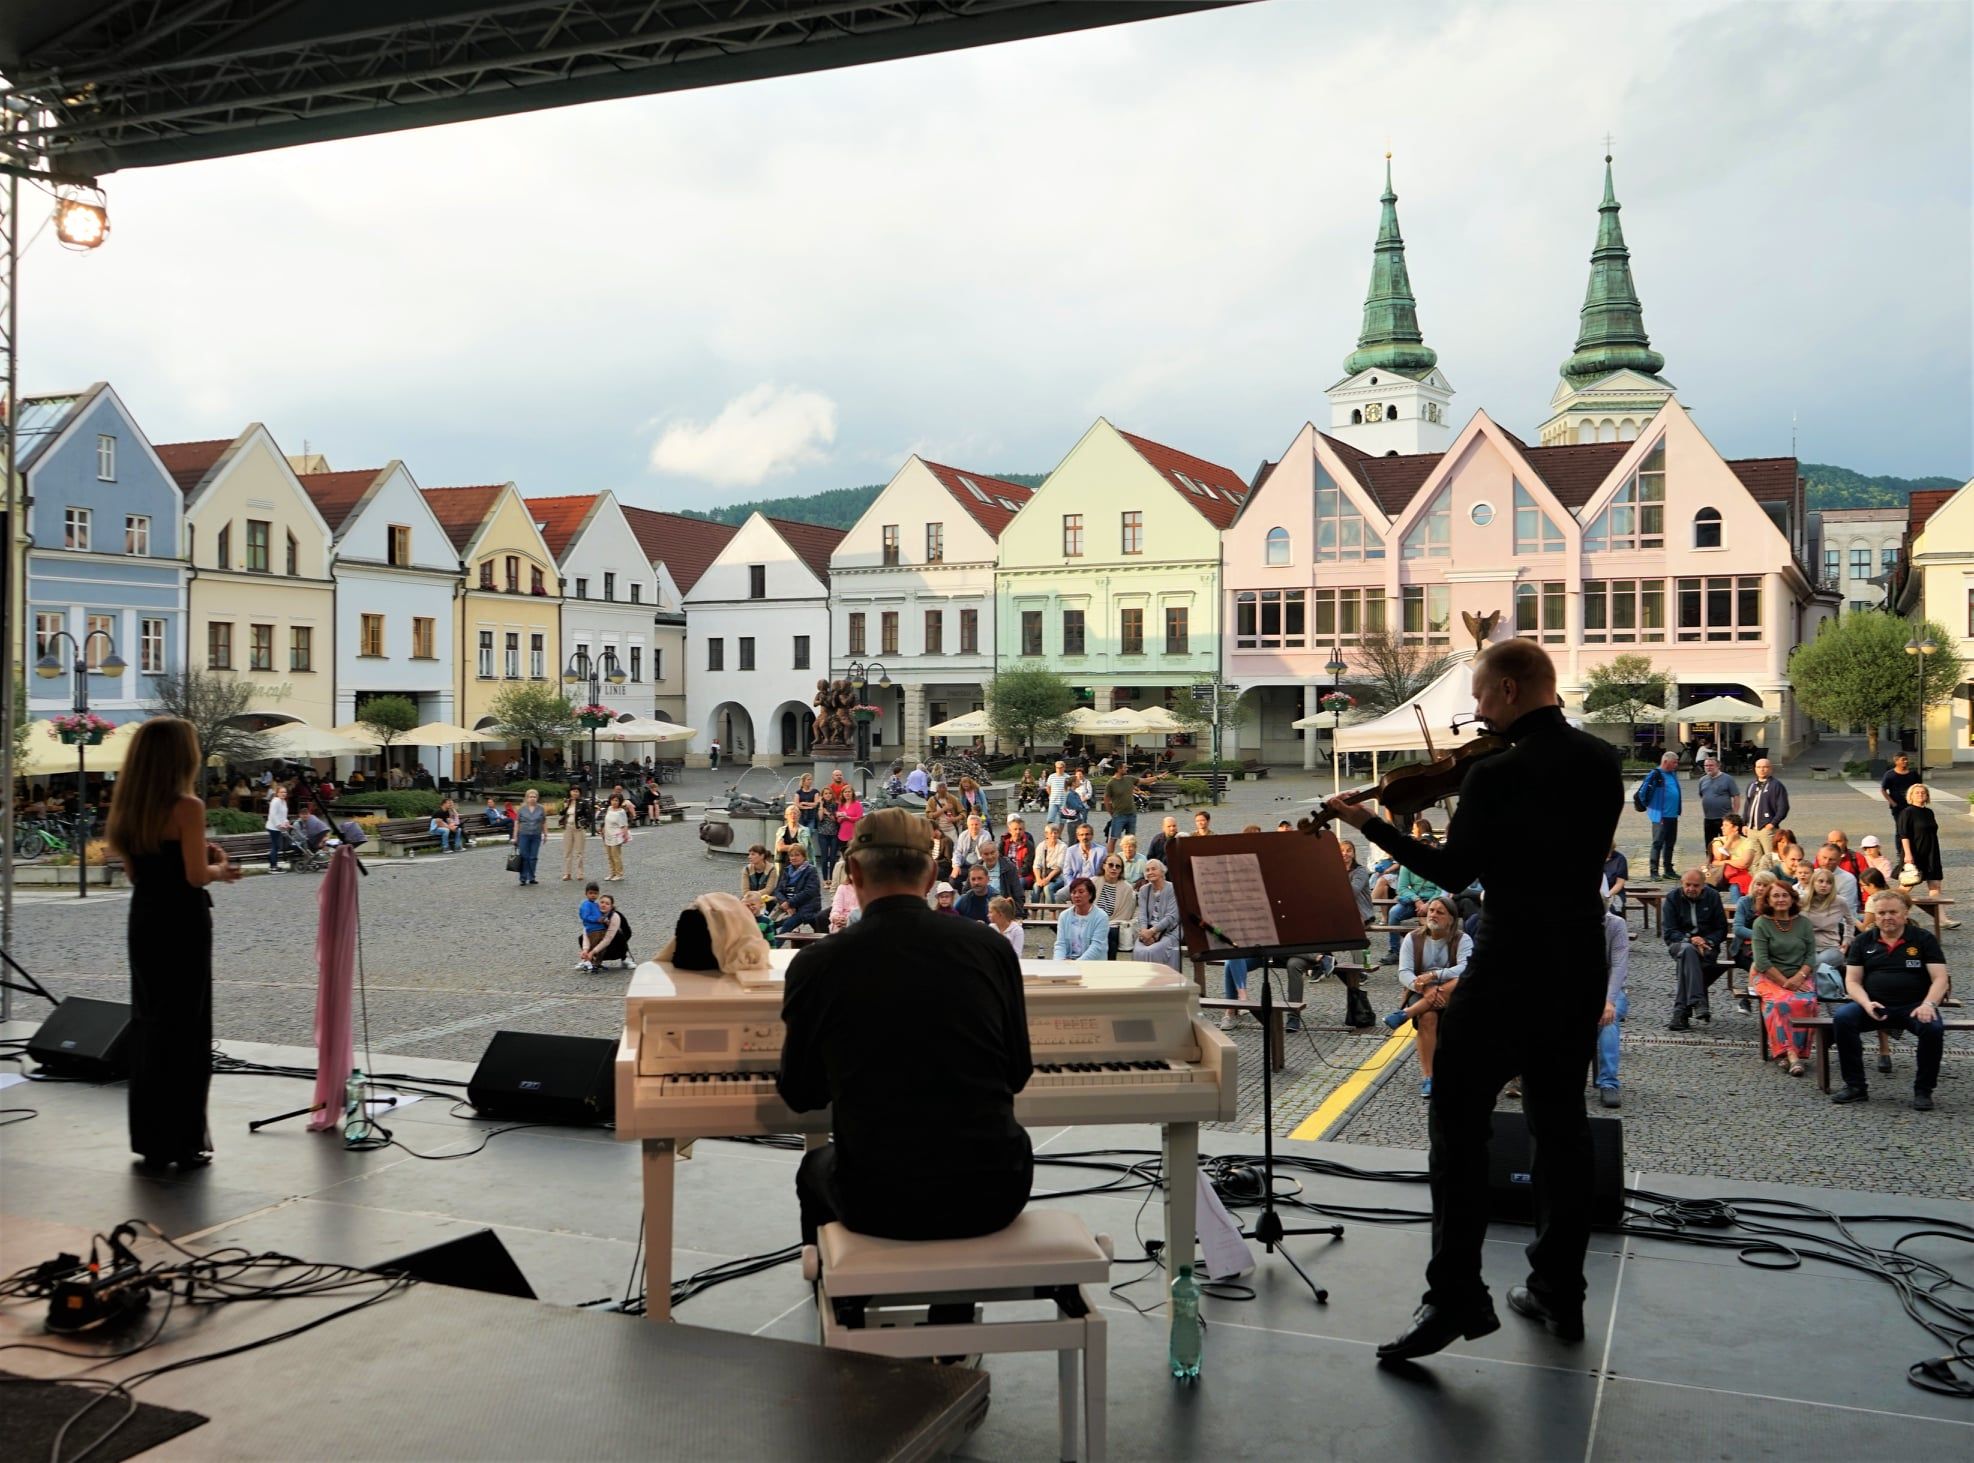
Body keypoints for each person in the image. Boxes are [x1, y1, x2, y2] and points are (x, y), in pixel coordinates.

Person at [1323, 638, 1622, 1362]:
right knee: (1561, 1122)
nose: (1477, 714)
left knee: (1457, 1122)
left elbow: (1453, 868)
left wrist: (1369, 826)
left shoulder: (1497, 770)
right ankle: (1560, 1288)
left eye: (1483, 698)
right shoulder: (1603, 760)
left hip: (1510, 958)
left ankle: (1455, 1294)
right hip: (1577, 959)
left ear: (1513, 689)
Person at [778, 807, 1033, 1280]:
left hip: (876, 1197)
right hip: (995, 1189)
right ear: (933, 873)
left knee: (814, 1166)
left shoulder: (817, 964)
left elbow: (801, 1094)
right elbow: (1016, 1074)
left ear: (852, 873)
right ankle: (952, 1317)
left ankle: (845, 1304)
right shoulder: (991, 949)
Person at [105, 716, 241, 1170]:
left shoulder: (127, 806)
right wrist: (221, 869)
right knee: (186, 1027)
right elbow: (194, 876)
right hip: (181, 923)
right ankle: (182, 1139)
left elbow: (136, 872)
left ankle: (150, 1136)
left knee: (150, 1024)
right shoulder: (188, 806)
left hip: (144, 918)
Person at [1832, 892, 1949, 1109]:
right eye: (1881, 913)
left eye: (1893, 912)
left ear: (1905, 914)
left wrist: (1928, 1004)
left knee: (1932, 1029)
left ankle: (1924, 1090)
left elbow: (1940, 979)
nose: (1887, 917)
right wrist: (1866, 1003)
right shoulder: (1862, 941)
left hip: (1914, 1007)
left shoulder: (1923, 939)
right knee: (1843, 1018)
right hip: (1874, 1006)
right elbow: (1853, 981)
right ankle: (1855, 1086)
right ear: (1875, 916)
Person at [1381, 897, 1474, 1098]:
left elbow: (1466, 968)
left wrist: (1434, 975)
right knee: (1428, 1017)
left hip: (1455, 990)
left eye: (1440, 912)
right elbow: (1404, 972)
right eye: (1431, 910)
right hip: (1422, 991)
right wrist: (1423, 987)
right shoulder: (1412, 938)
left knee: (1458, 981)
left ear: (1451, 918)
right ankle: (1428, 1076)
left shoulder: (1462, 939)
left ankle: (1405, 1014)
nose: (1433, 915)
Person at [1749, 879, 1819, 1076]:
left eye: (1784, 895)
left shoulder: (1803, 923)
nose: (1781, 899)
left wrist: (1799, 978)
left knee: (1807, 1002)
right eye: (1776, 896)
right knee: (1780, 1003)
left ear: (1792, 897)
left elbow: (1810, 955)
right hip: (1769, 977)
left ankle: (1794, 1053)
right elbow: (1761, 960)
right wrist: (1785, 983)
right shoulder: (1761, 924)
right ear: (1768, 901)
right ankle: (1791, 1055)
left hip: (1800, 975)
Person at [1663, 868, 1728, 1030]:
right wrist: (1691, 940)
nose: (1691, 889)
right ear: (1681, 883)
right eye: (1688, 885)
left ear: (1703, 886)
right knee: (1687, 950)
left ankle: (1680, 1014)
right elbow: (1669, 932)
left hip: (1707, 947)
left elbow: (1721, 929)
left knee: (1687, 957)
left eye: (1696, 885)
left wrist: (1706, 941)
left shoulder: (1713, 897)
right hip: (1679, 944)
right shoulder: (1672, 898)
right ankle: (1698, 1001)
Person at [1896, 784, 1956, 925]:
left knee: (1935, 886)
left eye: (1923, 792)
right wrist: (1908, 855)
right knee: (1906, 886)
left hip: (1931, 853)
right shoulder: (1907, 812)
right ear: (1911, 796)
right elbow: (1903, 835)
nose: (1921, 795)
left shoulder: (1929, 812)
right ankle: (1888, 906)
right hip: (1915, 853)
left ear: (1927, 796)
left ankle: (1942, 919)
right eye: (1917, 793)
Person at [1593, 908, 1629, 1109]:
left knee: (1608, 1020)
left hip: (1611, 990)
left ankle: (1608, 1083)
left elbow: (1619, 966)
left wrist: (1608, 1001)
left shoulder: (1615, 924)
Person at [1637, 752, 1683, 880]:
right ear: (1665, 762)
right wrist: (1653, 809)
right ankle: (1654, 871)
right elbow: (1643, 792)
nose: (1676, 764)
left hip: (1673, 815)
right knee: (1657, 843)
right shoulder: (1655, 774)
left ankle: (1668, 869)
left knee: (1670, 844)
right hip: (1660, 816)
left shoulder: (1672, 774)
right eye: (1674, 762)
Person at [1131, 859, 1182, 969]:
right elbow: (1142, 914)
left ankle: (1160, 982)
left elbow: (1172, 917)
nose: (1150, 872)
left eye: (1154, 869)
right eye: (1147, 870)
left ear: (1162, 872)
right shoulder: (1144, 890)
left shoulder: (1173, 889)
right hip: (1148, 931)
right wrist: (1145, 932)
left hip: (1169, 931)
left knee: (1153, 950)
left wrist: (1153, 931)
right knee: (1138, 950)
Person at [1052, 877, 1110, 961]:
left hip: (1093, 964)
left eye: (1081, 892)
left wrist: (1076, 963)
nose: (1076, 895)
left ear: (1090, 895)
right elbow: (1060, 944)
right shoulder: (1064, 916)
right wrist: (1059, 961)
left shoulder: (1101, 917)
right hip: (1068, 962)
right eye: (1073, 892)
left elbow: (1096, 947)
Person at [773, 843, 823, 934]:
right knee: (770, 924)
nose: (793, 858)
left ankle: (775, 947)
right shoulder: (786, 870)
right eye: (791, 855)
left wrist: (790, 903)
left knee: (786, 927)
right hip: (787, 907)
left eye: (797, 855)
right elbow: (778, 890)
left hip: (806, 907)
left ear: (804, 857)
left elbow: (810, 891)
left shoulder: (811, 870)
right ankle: (771, 945)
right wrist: (784, 903)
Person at [1094, 854, 1138, 958]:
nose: (1114, 868)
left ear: (1121, 870)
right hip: (1094, 921)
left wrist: (1106, 924)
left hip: (1115, 924)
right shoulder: (1093, 882)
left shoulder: (1127, 888)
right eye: (1111, 865)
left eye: (1117, 866)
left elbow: (1126, 914)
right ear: (1104, 866)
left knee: (1110, 934)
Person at [1744, 758, 1790, 857]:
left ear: (1770, 769)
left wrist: (1772, 824)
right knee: (1754, 860)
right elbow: (1747, 805)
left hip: (1767, 830)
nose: (1762, 769)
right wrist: (1744, 823)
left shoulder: (1776, 785)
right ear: (1755, 769)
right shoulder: (1751, 785)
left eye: (1765, 767)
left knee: (1771, 858)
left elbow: (1783, 807)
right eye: (1759, 767)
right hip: (1751, 830)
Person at [1694, 756, 1740, 853]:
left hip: (1724, 819)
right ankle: (1710, 865)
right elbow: (1702, 795)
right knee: (1710, 845)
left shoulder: (1728, 779)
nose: (1708, 767)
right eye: (1706, 765)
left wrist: (1735, 815)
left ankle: (1726, 865)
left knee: (1727, 845)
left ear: (1718, 766)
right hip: (1708, 819)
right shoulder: (1702, 780)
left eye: (1711, 765)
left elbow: (1736, 796)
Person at [1880, 752, 1921, 847]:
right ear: (1896, 761)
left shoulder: (1913, 774)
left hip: (1912, 806)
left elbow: (1919, 787)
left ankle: (1914, 848)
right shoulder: (1890, 775)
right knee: (1901, 829)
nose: (1906, 761)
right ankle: (1900, 851)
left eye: (1906, 759)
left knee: (1914, 828)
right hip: (1898, 807)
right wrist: (1892, 802)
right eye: (1903, 759)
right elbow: (1883, 789)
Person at [511, 788, 546, 885]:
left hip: (536, 835)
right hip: (524, 835)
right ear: (527, 798)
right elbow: (517, 822)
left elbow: (543, 822)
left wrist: (545, 834)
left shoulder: (541, 808)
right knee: (524, 857)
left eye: (534, 797)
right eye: (530, 797)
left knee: (533, 857)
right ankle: (523, 878)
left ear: (537, 798)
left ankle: (532, 877)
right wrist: (515, 836)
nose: (532, 798)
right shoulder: (522, 809)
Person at [1032, 823, 1068, 901]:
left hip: (1058, 876)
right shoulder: (1041, 846)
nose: (1053, 835)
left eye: (1055, 833)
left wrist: (1048, 879)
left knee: (1048, 888)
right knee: (1036, 886)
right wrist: (1038, 879)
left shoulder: (1063, 846)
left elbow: (1059, 867)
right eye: (1051, 833)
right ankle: (1033, 911)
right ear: (1046, 834)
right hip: (1043, 874)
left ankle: (1053, 912)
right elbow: (1036, 865)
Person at [601, 792, 631, 882]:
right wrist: (602, 830)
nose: (614, 802)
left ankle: (619, 874)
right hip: (607, 835)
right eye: (613, 800)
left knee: (616, 856)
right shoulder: (609, 809)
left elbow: (624, 825)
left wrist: (625, 836)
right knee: (609, 856)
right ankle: (612, 873)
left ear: (620, 802)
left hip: (616, 836)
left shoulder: (621, 812)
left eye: (616, 800)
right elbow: (606, 821)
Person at [558, 787, 587, 879]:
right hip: (568, 827)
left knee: (579, 852)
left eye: (577, 791)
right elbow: (561, 813)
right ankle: (567, 873)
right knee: (567, 851)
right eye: (573, 791)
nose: (575, 793)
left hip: (578, 828)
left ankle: (580, 873)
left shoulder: (583, 802)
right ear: (570, 792)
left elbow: (589, 815)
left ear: (580, 793)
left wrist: (585, 824)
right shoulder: (567, 802)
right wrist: (566, 806)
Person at [1000, 816, 1035, 890]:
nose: (1018, 832)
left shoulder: (1028, 845)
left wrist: (1015, 875)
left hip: (1024, 875)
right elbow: (1000, 860)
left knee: (1018, 883)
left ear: (1024, 830)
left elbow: (1027, 867)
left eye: (1020, 829)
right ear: (1009, 830)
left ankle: (1018, 901)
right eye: (1015, 829)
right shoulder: (1004, 843)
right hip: (1006, 873)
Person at [1104, 765, 1138, 843]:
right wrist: (1111, 813)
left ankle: (1128, 855)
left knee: (1130, 839)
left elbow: (1144, 780)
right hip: (1119, 815)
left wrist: (1158, 777)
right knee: (1113, 838)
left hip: (1131, 814)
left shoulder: (1129, 778)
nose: (1127, 769)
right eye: (1125, 767)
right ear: (1119, 769)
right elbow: (1106, 800)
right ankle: (1110, 855)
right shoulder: (1111, 783)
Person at [576, 882, 606, 966]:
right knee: (594, 946)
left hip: (601, 929)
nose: (593, 895)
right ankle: (589, 961)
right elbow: (585, 917)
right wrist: (597, 919)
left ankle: (597, 962)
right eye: (591, 893)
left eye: (595, 893)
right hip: (592, 930)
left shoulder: (596, 904)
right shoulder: (586, 905)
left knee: (602, 947)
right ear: (586, 894)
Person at [264, 782, 292, 872]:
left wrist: (286, 822)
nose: (284, 794)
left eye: (285, 792)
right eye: (281, 792)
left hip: (279, 828)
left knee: (276, 846)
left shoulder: (283, 802)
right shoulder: (275, 801)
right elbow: (273, 815)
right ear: (277, 793)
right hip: (273, 827)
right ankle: (273, 866)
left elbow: (283, 816)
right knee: (275, 846)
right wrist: (279, 824)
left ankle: (273, 864)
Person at [775, 805, 813, 870]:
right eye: (790, 813)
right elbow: (779, 848)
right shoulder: (781, 830)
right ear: (786, 816)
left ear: (799, 815)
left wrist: (785, 847)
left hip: (801, 865)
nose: (793, 815)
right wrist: (796, 847)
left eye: (795, 813)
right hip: (784, 863)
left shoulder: (805, 830)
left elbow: (803, 847)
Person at [741, 844, 777, 912]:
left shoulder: (772, 869)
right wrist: (753, 898)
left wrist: (754, 896)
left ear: (762, 856)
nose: (749, 857)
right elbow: (745, 891)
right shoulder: (746, 869)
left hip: (765, 899)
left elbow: (768, 890)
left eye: (753, 854)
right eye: (749, 854)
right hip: (749, 899)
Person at [827, 867, 861, 932]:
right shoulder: (842, 888)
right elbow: (836, 907)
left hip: (858, 924)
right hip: (840, 924)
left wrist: (849, 920)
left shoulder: (868, 890)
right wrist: (835, 917)